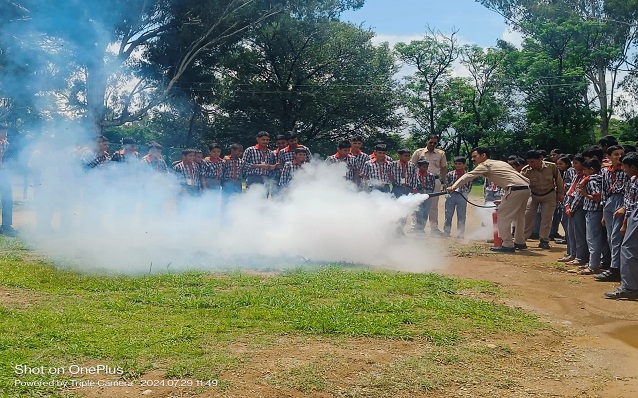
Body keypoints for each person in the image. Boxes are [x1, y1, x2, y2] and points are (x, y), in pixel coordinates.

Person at [446, 147, 530, 253]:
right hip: (525, 188)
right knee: (519, 217)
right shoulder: (500, 163)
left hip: (515, 190)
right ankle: (520, 242)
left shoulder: (485, 165)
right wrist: (504, 199)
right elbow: (509, 179)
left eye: (474, 156)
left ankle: (508, 244)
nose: (472, 159)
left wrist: (453, 187)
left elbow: (469, 175)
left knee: (502, 217)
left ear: (483, 155)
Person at [605, 152, 638, 299]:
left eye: (625, 166)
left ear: (633, 166)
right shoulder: (632, 179)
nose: (623, 169)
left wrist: (626, 222)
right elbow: (629, 204)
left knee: (628, 250)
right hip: (632, 215)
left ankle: (630, 288)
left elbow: (632, 205)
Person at [595, 145, 627, 282]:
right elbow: (604, 191)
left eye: (621, 154)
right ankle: (614, 266)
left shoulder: (627, 171)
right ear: (608, 156)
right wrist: (604, 212)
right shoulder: (606, 171)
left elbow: (630, 192)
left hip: (621, 201)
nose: (619, 157)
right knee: (609, 237)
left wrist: (624, 207)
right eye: (616, 154)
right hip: (609, 202)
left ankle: (616, 269)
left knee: (616, 237)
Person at [520, 150, 564, 249]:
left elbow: (559, 180)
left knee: (547, 219)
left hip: (549, 195)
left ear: (540, 159)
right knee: (528, 217)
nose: (530, 164)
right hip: (533, 195)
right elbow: (520, 184)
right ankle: (522, 239)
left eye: (532, 162)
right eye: (529, 162)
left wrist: (560, 193)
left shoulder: (551, 166)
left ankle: (544, 240)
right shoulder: (525, 171)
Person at [411, 134, 447, 235]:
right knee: (417, 204)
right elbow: (411, 166)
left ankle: (434, 228)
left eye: (435, 143)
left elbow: (444, 168)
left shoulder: (441, 153)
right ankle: (415, 227)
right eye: (430, 142)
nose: (432, 144)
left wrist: (445, 183)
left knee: (433, 206)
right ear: (426, 141)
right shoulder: (419, 152)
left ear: (437, 143)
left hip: (434, 181)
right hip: (419, 180)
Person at [561, 155, 589, 266]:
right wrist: (567, 204)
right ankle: (571, 253)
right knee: (570, 232)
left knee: (579, 233)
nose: (574, 165)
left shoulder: (585, 177)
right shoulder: (576, 175)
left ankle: (580, 256)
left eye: (576, 163)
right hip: (570, 203)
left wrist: (571, 207)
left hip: (578, 206)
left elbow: (579, 194)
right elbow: (571, 191)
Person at [578, 159, 604, 275]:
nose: (584, 172)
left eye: (585, 170)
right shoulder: (600, 178)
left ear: (591, 169)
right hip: (596, 211)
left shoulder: (592, 181)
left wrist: (584, 194)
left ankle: (593, 265)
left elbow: (597, 196)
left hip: (593, 210)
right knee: (595, 239)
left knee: (593, 239)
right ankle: (594, 263)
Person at [444, 156, 472, 238]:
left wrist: (465, 193)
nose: (457, 165)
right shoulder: (450, 174)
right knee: (448, 214)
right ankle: (446, 231)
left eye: (459, 164)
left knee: (461, 215)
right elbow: (447, 184)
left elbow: (469, 185)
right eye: (456, 164)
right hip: (451, 196)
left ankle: (460, 233)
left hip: (462, 196)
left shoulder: (468, 175)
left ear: (464, 164)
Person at [413, 158, 436, 234]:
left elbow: (433, 186)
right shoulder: (415, 175)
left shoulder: (431, 175)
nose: (425, 168)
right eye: (423, 166)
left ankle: (422, 228)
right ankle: (418, 228)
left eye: (426, 166)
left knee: (426, 211)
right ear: (419, 166)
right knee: (419, 211)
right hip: (418, 193)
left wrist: (429, 193)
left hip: (428, 194)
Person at [0, 124, 16, 236]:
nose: (5, 134)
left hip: (3, 173)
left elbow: (5, 158)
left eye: (5, 132)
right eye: (3, 132)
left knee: (7, 199)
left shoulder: (6, 143)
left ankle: (6, 225)